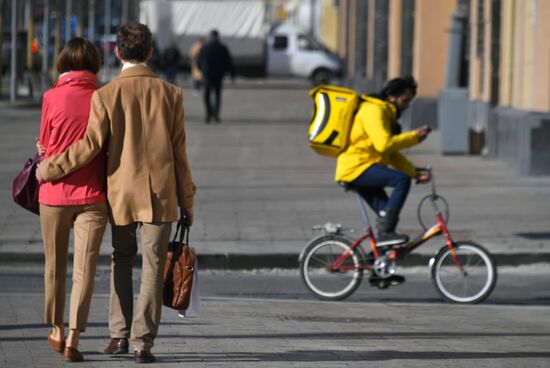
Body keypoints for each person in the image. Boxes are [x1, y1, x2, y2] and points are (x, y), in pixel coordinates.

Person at [37, 22, 196, 364]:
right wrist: (188, 200)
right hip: (161, 195)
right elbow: (180, 153)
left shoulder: (106, 95)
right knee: (153, 267)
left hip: (120, 193)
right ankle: (143, 344)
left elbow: (90, 146)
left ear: (118, 53)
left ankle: (119, 336)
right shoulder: (171, 93)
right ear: (150, 53)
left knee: (121, 259)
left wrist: (49, 168)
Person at [37, 37, 108, 363]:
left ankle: (56, 328)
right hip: (93, 195)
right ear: (94, 63)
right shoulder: (103, 97)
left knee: (54, 266)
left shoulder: (51, 96)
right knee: (85, 269)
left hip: (53, 194)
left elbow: (44, 144)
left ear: (63, 62)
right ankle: (75, 338)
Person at [336, 76, 431, 247]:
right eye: (405, 100)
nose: (406, 105)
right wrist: (414, 137)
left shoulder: (385, 113)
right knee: (401, 181)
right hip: (356, 167)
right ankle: (385, 233)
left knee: (386, 215)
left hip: (364, 167)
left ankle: (379, 268)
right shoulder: (374, 110)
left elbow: (391, 153)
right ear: (392, 96)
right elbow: (384, 144)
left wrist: (415, 173)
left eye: (409, 101)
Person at [197, 29, 235, 123]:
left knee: (207, 95)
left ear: (210, 37)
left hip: (207, 75)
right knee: (217, 95)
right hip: (218, 75)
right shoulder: (223, 48)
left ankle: (209, 114)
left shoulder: (205, 47)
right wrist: (231, 74)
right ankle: (216, 115)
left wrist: (202, 71)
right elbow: (229, 62)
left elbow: (198, 61)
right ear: (218, 37)